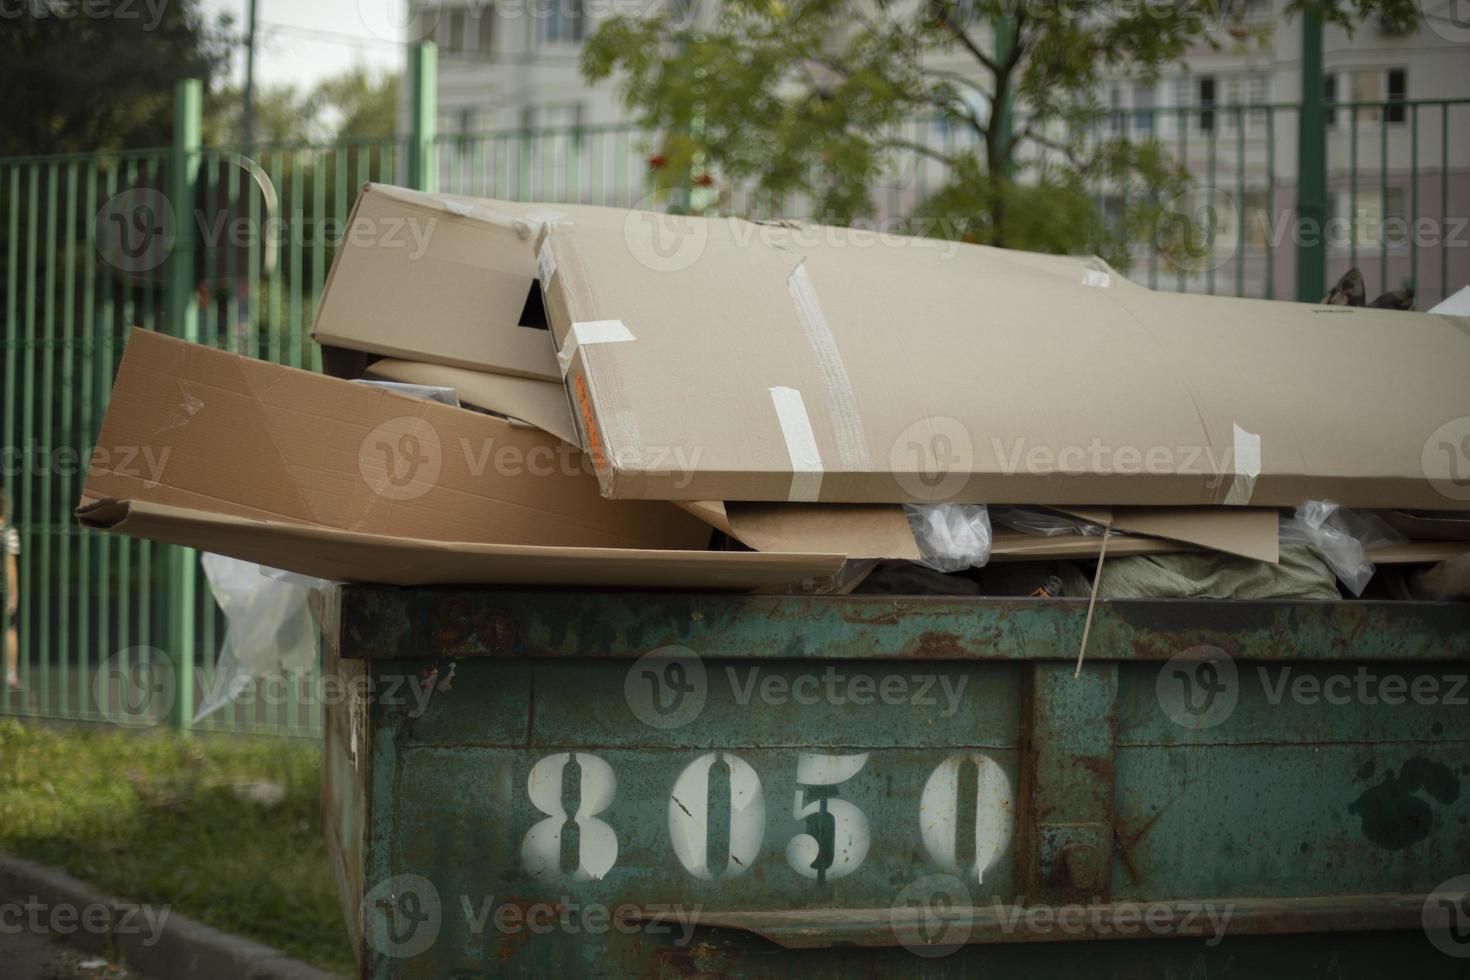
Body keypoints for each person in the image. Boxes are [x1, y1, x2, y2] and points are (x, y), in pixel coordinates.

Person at [2, 490, 17, 691]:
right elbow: (10, 566)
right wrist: (14, 595)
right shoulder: (8, 533)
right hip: (2, 590)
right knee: (9, 630)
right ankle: (11, 674)